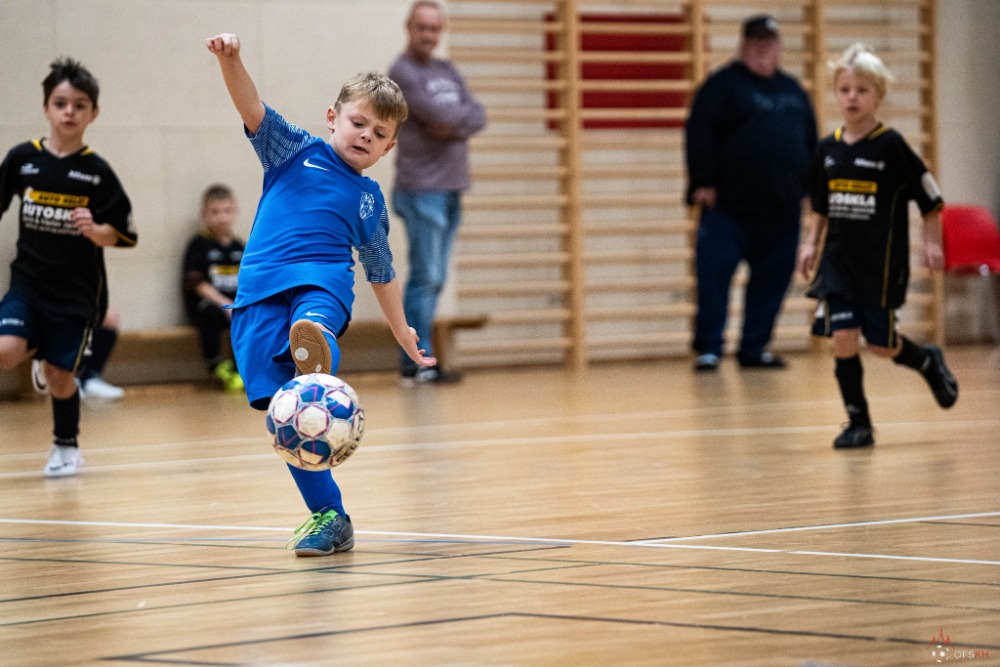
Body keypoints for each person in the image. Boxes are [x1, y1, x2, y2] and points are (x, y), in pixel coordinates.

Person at [206, 32, 435, 556]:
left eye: (379, 134)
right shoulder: (293, 152)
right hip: (256, 295)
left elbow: (380, 272)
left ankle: (315, 342)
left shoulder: (368, 200)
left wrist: (402, 330)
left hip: (321, 283)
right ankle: (331, 517)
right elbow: (251, 106)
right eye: (358, 123)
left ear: (389, 147)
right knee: (288, 418)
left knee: (312, 316)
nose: (365, 136)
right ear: (333, 118)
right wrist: (233, 59)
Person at [797, 43, 958, 449]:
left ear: (878, 96)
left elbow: (931, 201)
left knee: (883, 345)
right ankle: (858, 423)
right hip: (838, 263)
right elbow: (820, 205)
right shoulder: (827, 149)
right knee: (843, 335)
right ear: (836, 93)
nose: (852, 97)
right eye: (845, 89)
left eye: (862, 90)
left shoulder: (891, 147)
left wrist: (932, 243)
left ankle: (926, 360)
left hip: (880, 265)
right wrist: (808, 244)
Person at [0, 58, 137, 476]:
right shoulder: (23, 159)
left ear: (92, 113)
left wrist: (99, 232)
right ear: (46, 108)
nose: (69, 112)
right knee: (5, 352)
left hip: (77, 294)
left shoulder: (96, 173)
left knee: (61, 376)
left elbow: (125, 232)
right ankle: (36, 346)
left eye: (79, 105)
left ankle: (66, 446)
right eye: (60, 103)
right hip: (27, 283)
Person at [684, 14, 817, 372]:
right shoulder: (722, 86)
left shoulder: (792, 90)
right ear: (744, 46)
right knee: (713, 278)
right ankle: (709, 347)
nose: (764, 50)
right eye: (757, 43)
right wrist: (703, 180)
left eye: (770, 44)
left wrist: (809, 187)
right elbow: (699, 133)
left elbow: (809, 141)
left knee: (773, 280)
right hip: (729, 206)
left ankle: (754, 347)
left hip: (781, 206)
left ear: (779, 48)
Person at [389, 0, 486, 386]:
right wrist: (452, 121)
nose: (428, 35)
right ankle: (416, 362)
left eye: (434, 29)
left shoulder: (447, 69)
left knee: (436, 278)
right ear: (409, 28)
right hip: (420, 189)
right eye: (422, 27)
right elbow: (447, 117)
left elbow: (476, 115)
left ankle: (419, 359)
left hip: (451, 187)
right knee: (426, 277)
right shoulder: (402, 72)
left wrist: (453, 124)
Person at [182, 184, 245, 393]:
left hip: (235, 306)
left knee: (249, 315)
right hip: (208, 306)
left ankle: (241, 370)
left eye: (226, 211)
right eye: (215, 212)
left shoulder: (240, 247)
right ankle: (216, 365)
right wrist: (225, 304)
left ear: (234, 212)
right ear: (204, 214)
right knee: (210, 313)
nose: (222, 217)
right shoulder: (199, 244)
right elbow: (198, 284)